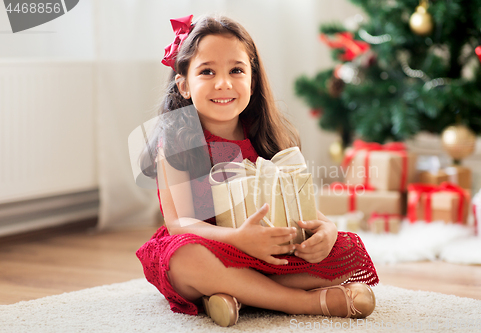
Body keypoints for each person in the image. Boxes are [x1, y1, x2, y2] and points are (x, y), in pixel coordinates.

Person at [136, 14, 378, 327]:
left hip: (265, 253)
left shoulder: (265, 135)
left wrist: (327, 230)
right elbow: (179, 223)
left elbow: (300, 208)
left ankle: (233, 293)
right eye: (207, 71)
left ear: (252, 79)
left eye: (236, 70)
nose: (223, 83)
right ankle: (304, 301)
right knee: (184, 259)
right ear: (183, 85)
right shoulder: (176, 138)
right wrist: (238, 238)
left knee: (348, 249)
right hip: (206, 246)